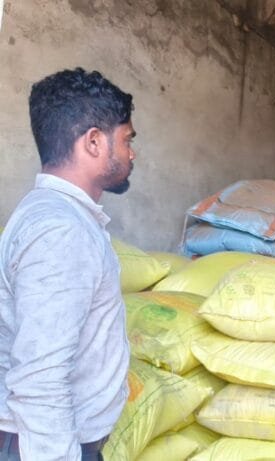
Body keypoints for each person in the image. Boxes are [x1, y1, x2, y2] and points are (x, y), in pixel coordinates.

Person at [0, 68, 137, 461]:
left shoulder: (57, 216)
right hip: (44, 449)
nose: (132, 153)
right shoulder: (61, 230)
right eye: (127, 139)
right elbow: (40, 378)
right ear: (93, 142)